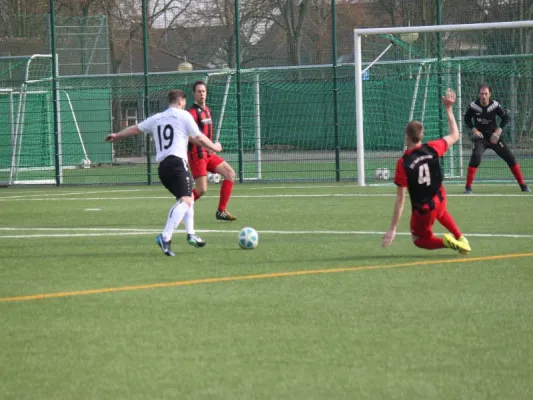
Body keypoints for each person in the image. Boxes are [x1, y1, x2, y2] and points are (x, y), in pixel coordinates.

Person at [104, 89, 222, 257]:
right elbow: (200, 137)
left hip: (163, 168)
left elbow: (135, 129)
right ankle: (165, 236)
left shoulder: (158, 117)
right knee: (187, 200)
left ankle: (191, 234)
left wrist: (117, 135)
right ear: (181, 101)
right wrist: (215, 147)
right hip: (177, 164)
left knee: (187, 197)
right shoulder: (184, 115)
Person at [383, 88, 471, 255]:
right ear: (421, 136)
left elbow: (400, 200)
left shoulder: (403, 163)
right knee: (442, 211)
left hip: (424, 210)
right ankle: (460, 236)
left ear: (407, 137)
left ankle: (449, 243)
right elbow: (455, 135)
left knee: (419, 240)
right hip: (441, 197)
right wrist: (449, 109)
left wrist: (393, 228)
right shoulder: (433, 147)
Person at [463, 83, 530, 194]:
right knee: (476, 156)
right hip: (480, 138)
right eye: (481, 93)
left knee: (510, 158)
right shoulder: (473, 106)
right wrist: (474, 129)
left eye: (486, 94)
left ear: (490, 94)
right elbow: (466, 120)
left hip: (494, 137)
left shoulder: (495, 105)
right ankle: (468, 187)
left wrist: (498, 131)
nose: (483, 96)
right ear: (479, 94)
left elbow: (506, 117)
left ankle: (523, 185)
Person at [188, 80, 237, 221]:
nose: (201, 94)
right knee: (202, 189)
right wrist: (210, 146)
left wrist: (210, 147)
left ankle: (221, 211)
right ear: (194, 94)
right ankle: (181, 206)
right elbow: (188, 136)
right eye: (199, 92)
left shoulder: (207, 110)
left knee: (230, 173)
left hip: (207, 154)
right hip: (196, 155)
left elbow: (206, 133)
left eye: (203, 91)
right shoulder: (192, 113)